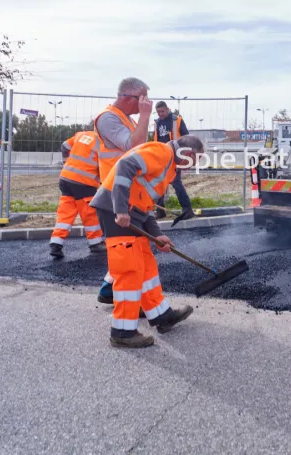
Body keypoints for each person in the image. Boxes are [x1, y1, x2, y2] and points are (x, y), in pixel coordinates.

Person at [90, 134, 204, 348]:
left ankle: (162, 316)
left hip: (134, 215)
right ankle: (122, 332)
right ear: (188, 153)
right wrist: (121, 209)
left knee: (146, 266)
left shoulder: (168, 167)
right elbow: (124, 165)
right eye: (193, 161)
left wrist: (156, 234)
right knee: (129, 270)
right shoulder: (162, 152)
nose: (191, 167)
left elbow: (146, 204)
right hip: (117, 213)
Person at [94, 77, 154, 304]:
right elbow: (134, 146)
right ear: (126, 97)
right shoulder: (108, 118)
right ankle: (128, 303)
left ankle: (109, 290)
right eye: (142, 99)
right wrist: (146, 116)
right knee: (127, 249)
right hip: (115, 193)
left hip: (127, 191)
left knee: (129, 248)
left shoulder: (126, 119)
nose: (145, 103)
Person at [49, 130, 105, 258]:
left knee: (66, 212)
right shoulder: (103, 142)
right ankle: (95, 243)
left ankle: (56, 243)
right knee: (89, 213)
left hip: (66, 178)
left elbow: (64, 146)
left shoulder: (81, 135)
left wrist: (65, 162)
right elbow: (104, 166)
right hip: (84, 183)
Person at [152, 101, 196, 221]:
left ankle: (187, 210)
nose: (160, 114)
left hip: (175, 156)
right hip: (161, 156)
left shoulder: (177, 121)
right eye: (158, 112)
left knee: (176, 183)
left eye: (162, 111)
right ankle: (160, 210)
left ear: (167, 109)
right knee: (160, 183)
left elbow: (187, 137)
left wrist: (185, 156)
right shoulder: (157, 123)